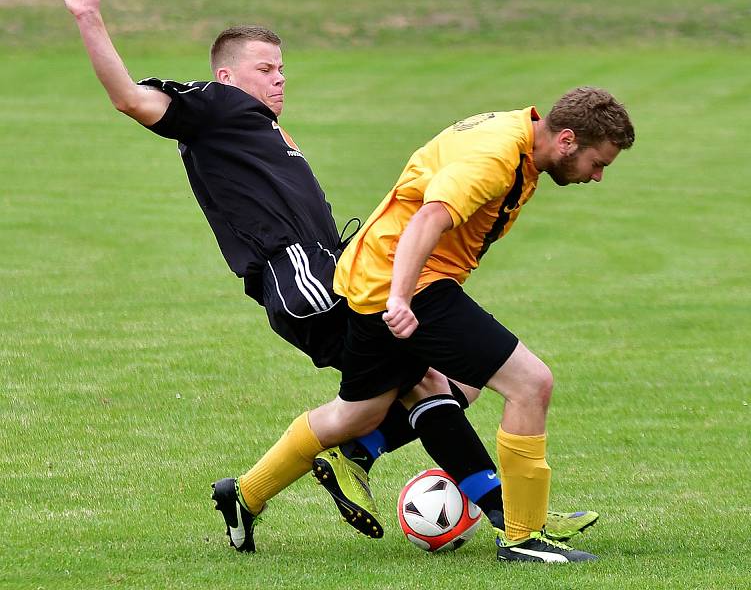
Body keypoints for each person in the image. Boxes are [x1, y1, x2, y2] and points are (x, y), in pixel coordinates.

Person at [60, 0, 597, 553]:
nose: (279, 79)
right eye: (264, 69)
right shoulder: (217, 105)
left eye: (282, 68)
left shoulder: (255, 124)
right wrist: (89, 15)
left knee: (425, 385)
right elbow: (130, 98)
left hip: (327, 269)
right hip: (306, 281)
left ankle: (251, 492)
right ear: (225, 74)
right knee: (416, 389)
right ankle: (501, 518)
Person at [218, 90, 634, 563]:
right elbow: (428, 218)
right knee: (531, 383)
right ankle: (522, 535)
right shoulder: (496, 155)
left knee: (367, 410)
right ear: (565, 140)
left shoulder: (521, 136)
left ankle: (247, 493)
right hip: (408, 281)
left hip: (383, 273)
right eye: (598, 163)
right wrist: (399, 298)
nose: (597, 176)